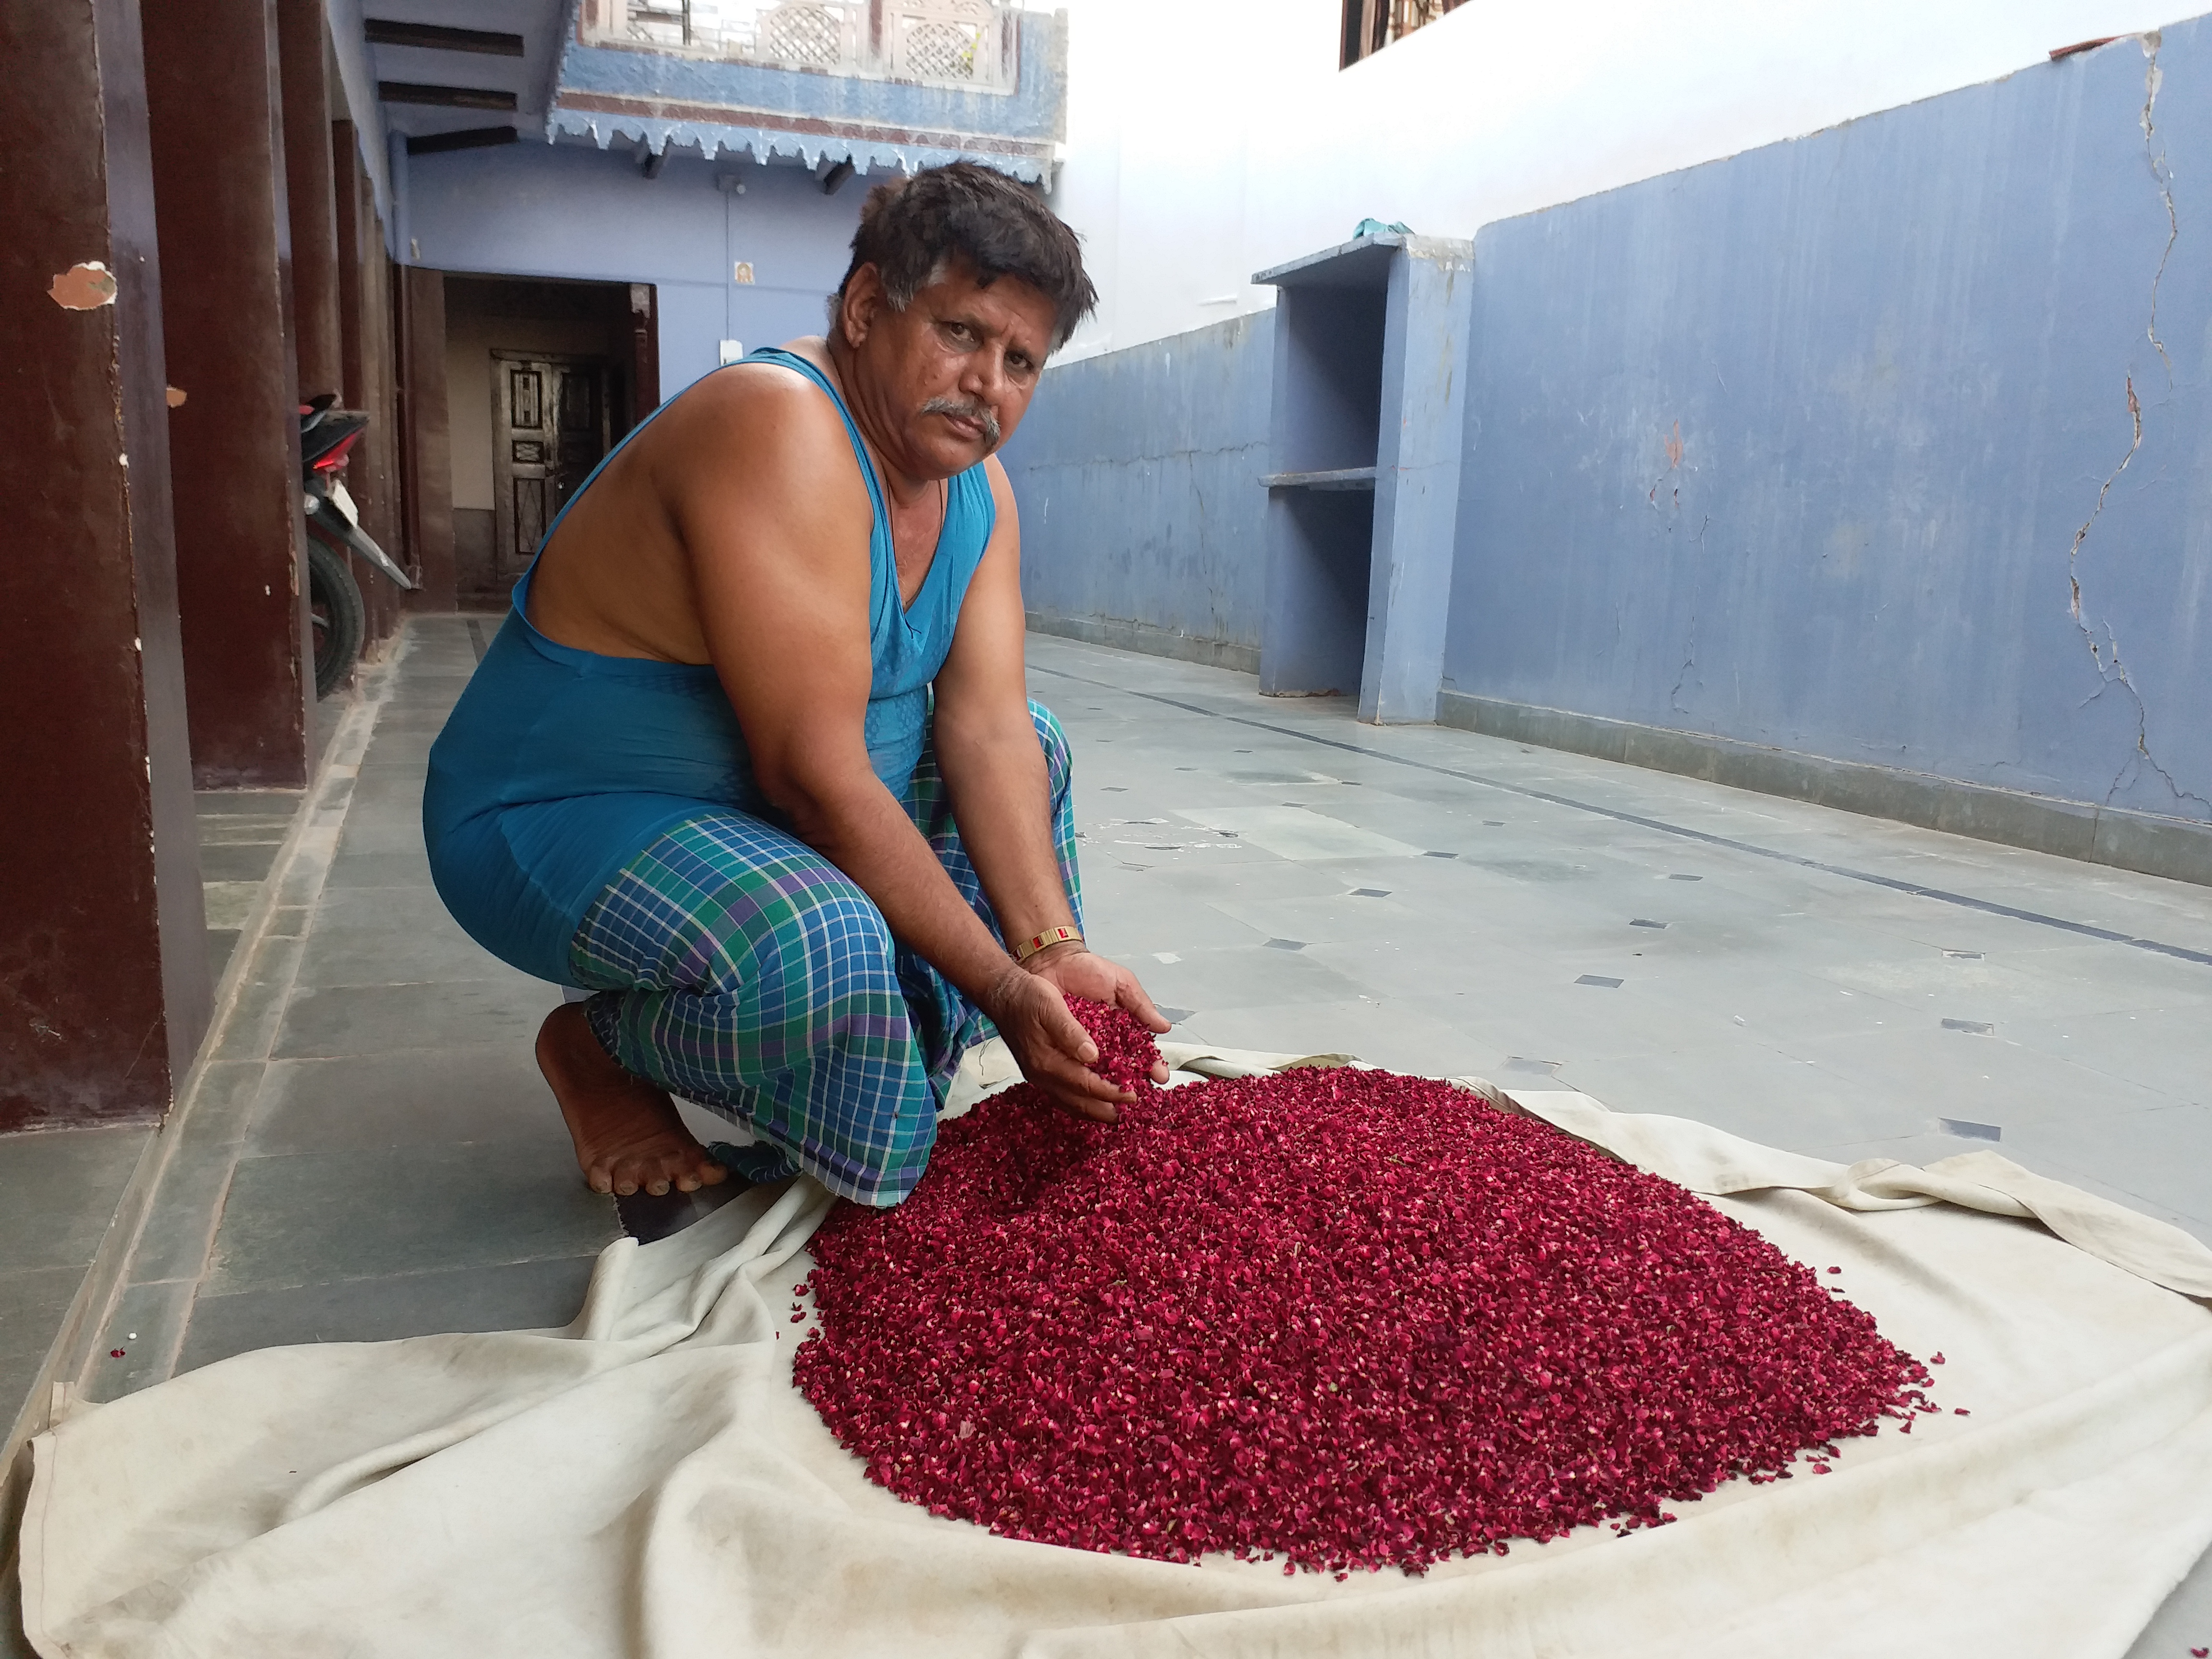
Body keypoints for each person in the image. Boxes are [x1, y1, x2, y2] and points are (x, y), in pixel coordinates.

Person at [423, 163, 1168, 1205]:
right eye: (961, 334)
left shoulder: (978, 490)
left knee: (1033, 744)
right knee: (822, 952)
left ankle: (845, 1034)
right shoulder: (778, 422)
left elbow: (992, 729)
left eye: (1022, 362)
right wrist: (997, 986)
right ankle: (601, 1046)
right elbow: (815, 779)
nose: (989, 384)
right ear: (867, 308)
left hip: (754, 814)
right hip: (559, 817)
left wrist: (1051, 956)